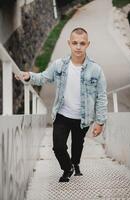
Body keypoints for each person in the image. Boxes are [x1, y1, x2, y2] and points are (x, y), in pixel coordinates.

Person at [15, 27, 107, 183]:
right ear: (69, 43)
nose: (78, 47)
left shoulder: (96, 70)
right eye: (75, 43)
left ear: (88, 44)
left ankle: (75, 163)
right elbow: (43, 77)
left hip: (82, 118)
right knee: (58, 147)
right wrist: (29, 76)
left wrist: (100, 121)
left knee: (77, 145)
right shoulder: (60, 65)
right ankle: (68, 168)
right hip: (62, 114)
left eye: (82, 43)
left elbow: (102, 96)